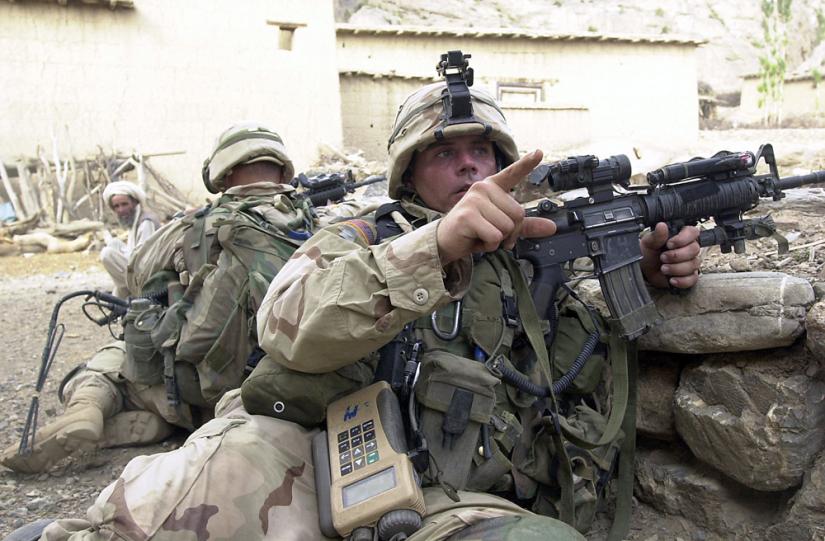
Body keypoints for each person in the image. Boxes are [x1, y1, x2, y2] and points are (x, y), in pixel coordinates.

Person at [15, 82, 700, 541]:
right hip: (346, 472)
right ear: (408, 170)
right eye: (444, 153)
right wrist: (434, 247)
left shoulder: (527, 249)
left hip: (464, 497)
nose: (468, 168)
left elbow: (571, 364)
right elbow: (287, 321)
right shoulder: (365, 236)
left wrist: (644, 268)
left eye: (481, 153)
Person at [0, 123, 316, 475]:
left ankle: (88, 406)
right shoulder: (317, 221)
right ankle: (165, 420)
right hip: (288, 392)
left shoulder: (196, 227)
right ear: (284, 170)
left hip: (210, 391)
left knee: (114, 359)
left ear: (222, 176)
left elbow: (136, 271)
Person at [100, 181, 161, 299]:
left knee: (107, 254)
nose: (121, 209)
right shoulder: (134, 221)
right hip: (137, 271)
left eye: (124, 204)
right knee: (113, 244)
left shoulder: (146, 222)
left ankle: (131, 295)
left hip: (148, 277)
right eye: (116, 206)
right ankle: (123, 295)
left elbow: (144, 261)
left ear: (135, 203)